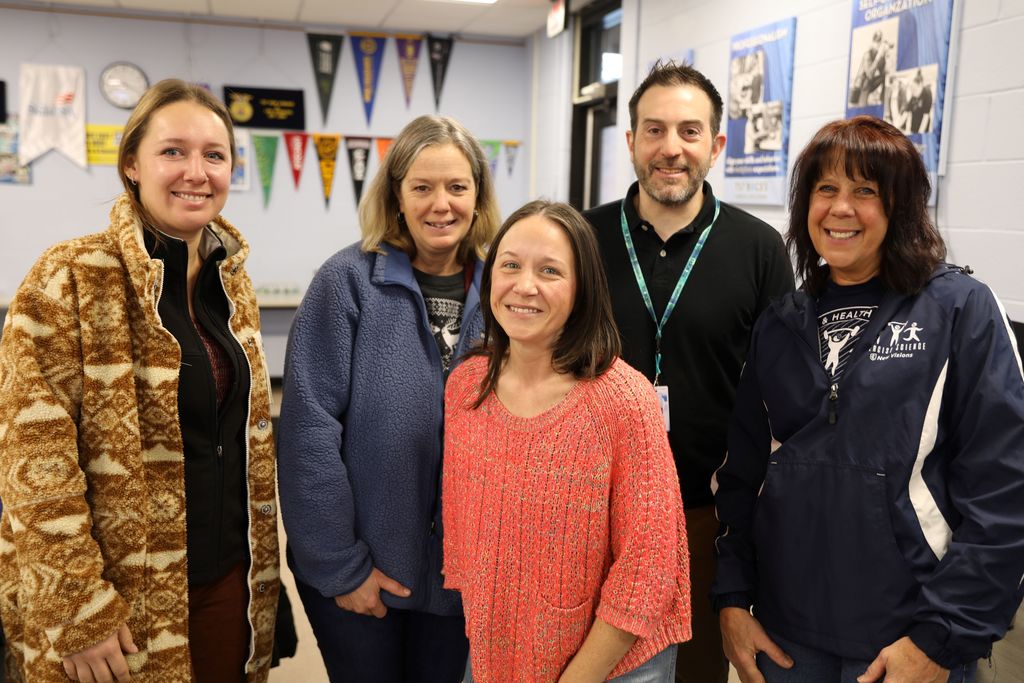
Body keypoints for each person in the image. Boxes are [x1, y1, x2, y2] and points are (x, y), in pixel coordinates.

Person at [712, 115, 1024, 683]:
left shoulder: (959, 310)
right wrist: (733, 597)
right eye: (825, 189)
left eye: (865, 191)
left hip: (907, 639)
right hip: (786, 637)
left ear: (901, 206)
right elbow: (743, 476)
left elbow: (1007, 490)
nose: (840, 208)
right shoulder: (781, 324)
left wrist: (945, 637)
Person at [0, 79, 280, 682]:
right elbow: (32, 459)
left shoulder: (233, 282)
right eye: (172, 151)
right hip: (115, 600)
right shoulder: (69, 278)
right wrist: (78, 608)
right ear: (132, 164)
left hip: (226, 578)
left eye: (214, 154)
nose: (196, 172)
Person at [583, 60, 794, 683]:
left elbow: (780, 395)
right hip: (591, 504)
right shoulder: (582, 237)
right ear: (630, 142)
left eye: (689, 131)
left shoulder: (759, 249)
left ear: (716, 145)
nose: (670, 148)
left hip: (706, 511)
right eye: (653, 130)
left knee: (693, 671)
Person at [277, 114, 500, 683]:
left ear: (478, 195)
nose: (440, 204)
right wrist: (341, 567)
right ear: (397, 195)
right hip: (362, 573)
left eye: (457, 186)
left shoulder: (507, 287)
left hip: (465, 584)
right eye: (422, 187)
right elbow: (308, 434)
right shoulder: (346, 282)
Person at [443, 200, 691, 682]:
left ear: (582, 290)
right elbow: (466, 534)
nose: (525, 285)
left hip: (613, 665)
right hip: (499, 654)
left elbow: (649, 566)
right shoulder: (468, 385)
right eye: (510, 265)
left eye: (550, 270)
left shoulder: (621, 399)